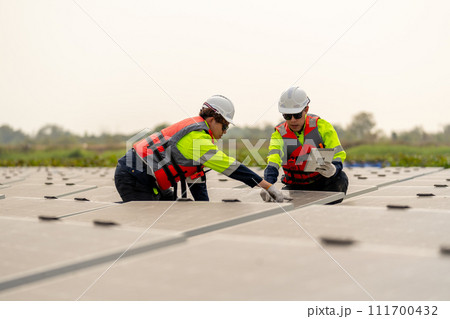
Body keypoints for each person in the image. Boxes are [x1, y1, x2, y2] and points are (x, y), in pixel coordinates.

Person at [115, 95, 291, 203]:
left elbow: (196, 180)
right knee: (145, 220)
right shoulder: (197, 138)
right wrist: (268, 186)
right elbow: (231, 167)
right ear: (213, 119)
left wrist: (203, 209)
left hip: (145, 177)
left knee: (170, 207)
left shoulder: (199, 135)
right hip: (133, 176)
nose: (224, 132)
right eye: (224, 126)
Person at [260, 87, 348, 203]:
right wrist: (268, 185)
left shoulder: (322, 127)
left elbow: (338, 154)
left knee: (341, 178)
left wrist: (334, 168)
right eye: (287, 116)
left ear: (306, 109)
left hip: (324, 182)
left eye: (296, 115)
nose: (292, 120)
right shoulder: (279, 134)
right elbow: (273, 162)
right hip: (296, 186)